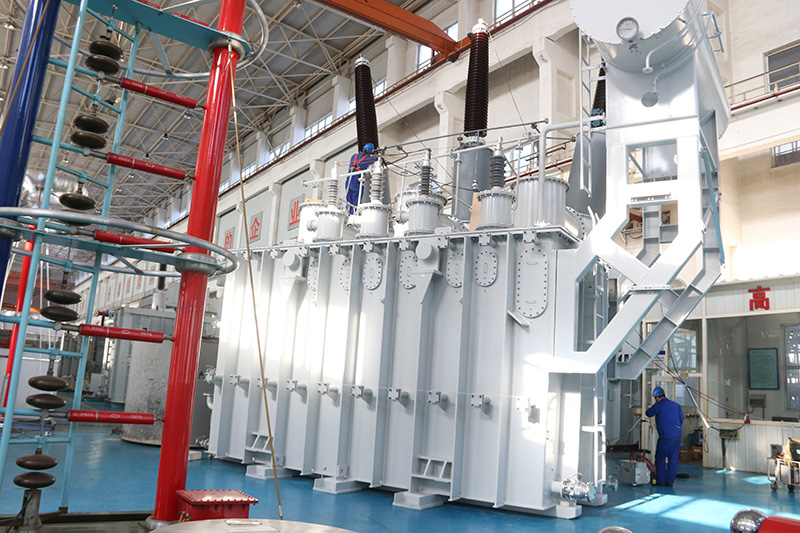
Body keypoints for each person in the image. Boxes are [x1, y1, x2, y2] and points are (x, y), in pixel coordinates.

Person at [645, 386, 684, 487]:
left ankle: (661, 481)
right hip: (677, 436)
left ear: (656, 397)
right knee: (673, 459)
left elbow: (648, 413)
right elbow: (681, 419)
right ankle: (670, 482)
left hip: (666, 437)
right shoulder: (676, 405)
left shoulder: (658, 406)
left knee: (660, 458)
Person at [345, 142, 378, 214]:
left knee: (349, 200)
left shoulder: (354, 156)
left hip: (348, 179)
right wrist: (380, 153)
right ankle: (354, 214)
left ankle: (348, 213)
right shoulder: (367, 158)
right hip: (356, 181)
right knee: (356, 199)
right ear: (370, 152)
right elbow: (376, 158)